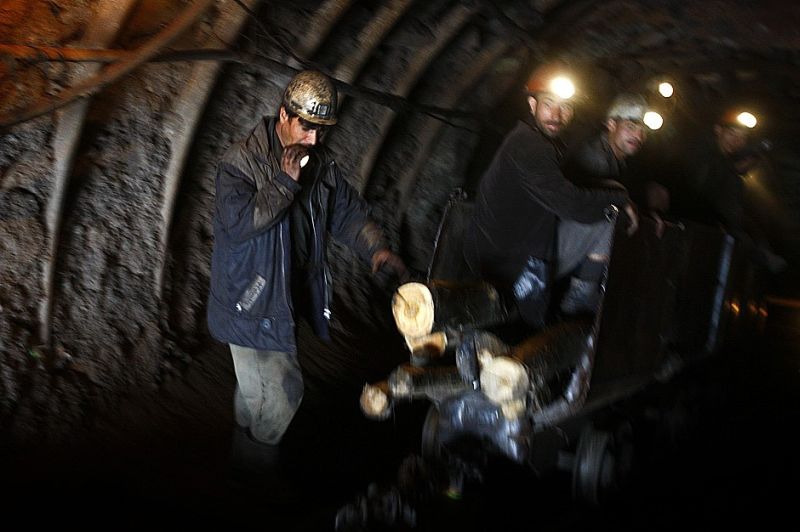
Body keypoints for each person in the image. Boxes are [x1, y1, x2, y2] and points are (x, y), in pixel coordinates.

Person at [206, 70, 407, 472]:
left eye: (322, 131)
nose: (314, 140)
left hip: (284, 296)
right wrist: (284, 181)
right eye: (307, 128)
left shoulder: (318, 163)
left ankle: (238, 467)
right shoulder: (240, 162)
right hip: (250, 300)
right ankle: (254, 478)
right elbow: (240, 222)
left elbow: (347, 213)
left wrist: (377, 250)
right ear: (284, 114)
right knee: (283, 392)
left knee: (254, 393)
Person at [463, 61, 634, 334]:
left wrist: (613, 189)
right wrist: (620, 201)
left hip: (513, 245)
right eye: (548, 104)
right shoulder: (529, 146)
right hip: (509, 263)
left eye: (565, 107)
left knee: (603, 208)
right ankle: (576, 307)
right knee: (607, 220)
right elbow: (573, 205)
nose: (557, 114)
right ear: (532, 105)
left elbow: (564, 186)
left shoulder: (534, 140)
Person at [685, 108, 787, 274]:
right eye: (732, 133)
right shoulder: (701, 153)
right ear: (718, 130)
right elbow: (699, 190)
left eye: (742, 137)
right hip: (697, 230)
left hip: (716, 236)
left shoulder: (732, 170)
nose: (737, 140)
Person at [565, 92, 668, 236]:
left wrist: (646, 214)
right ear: (611, 124)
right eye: (631, 127)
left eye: (643, 130)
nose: (639, 136)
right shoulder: (595, 156)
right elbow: (587, 196)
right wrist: (622, 199)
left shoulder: (620, 160)